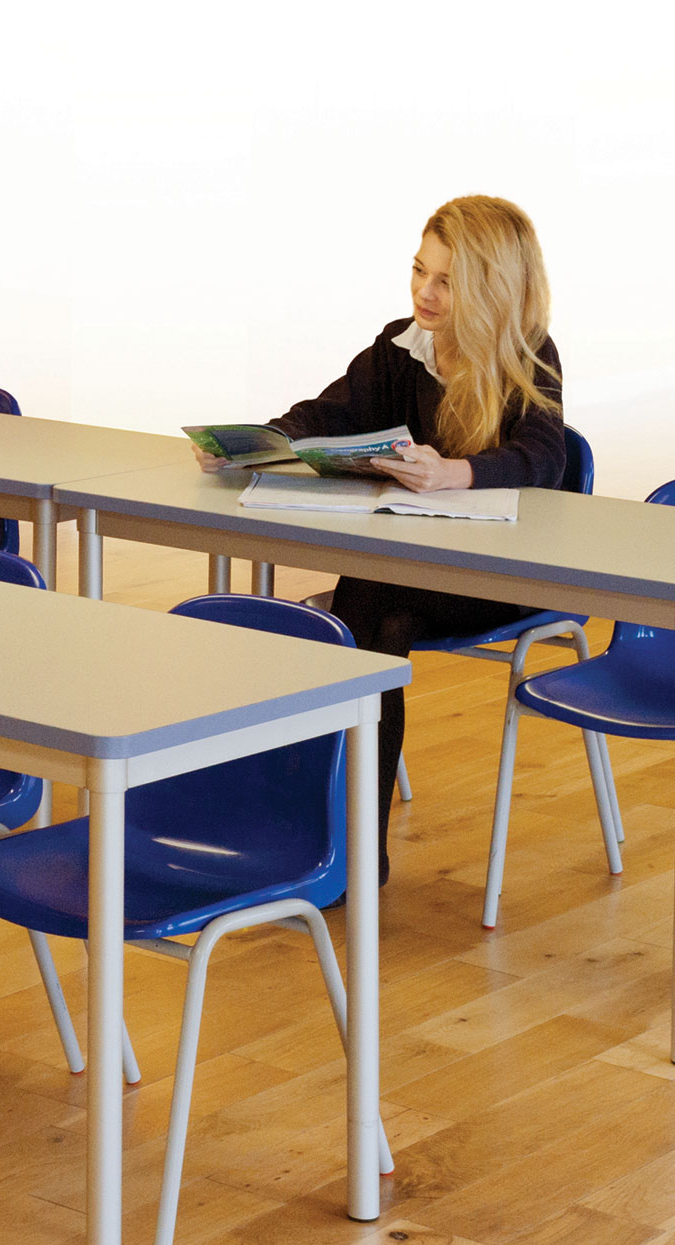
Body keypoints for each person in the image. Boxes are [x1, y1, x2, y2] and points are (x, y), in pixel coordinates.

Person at [194, 195, 565, 882]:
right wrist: (255, 445)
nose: (424, 291)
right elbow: (331, 411)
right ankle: (356, 849)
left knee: (362, 601)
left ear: (491, 286)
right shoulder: (403, 346)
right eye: (419, 270)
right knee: (380, 621)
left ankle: (328, 842)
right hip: (415, 579)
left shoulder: (527, 356)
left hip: (501, 581)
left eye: (446, 280)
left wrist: (459, 471)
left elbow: (545, 458)